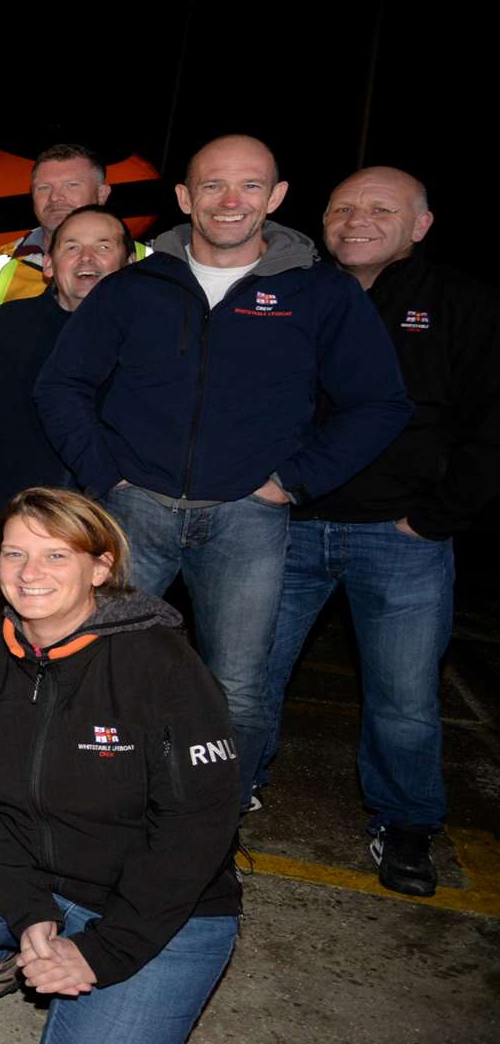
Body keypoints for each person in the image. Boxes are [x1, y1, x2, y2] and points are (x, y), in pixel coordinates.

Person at [34, 134, 411, 805]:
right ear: (185, 197)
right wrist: (107, 476)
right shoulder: (133, 287)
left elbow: (379, 403)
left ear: (277, 197)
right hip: (135, 513)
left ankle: (213, 822)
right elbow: (60, 384)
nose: (230, 201)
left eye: (249, 186)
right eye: (212, 186)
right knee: (99, 664)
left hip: (248, 521)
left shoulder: (320, 292)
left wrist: (291, 482)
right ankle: (90, 804)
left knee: (237, 685)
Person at [0, 488, 243, 1044]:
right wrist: (25, 907)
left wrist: (106, 950)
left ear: (99, 567)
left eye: (56, 555)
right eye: (14, 554)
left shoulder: (161, 665)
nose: (30, 572)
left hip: (161, 906)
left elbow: (197, 826)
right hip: (30, 872)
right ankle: (3, 957)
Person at [259, 166, 500, 896]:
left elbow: (491, 424)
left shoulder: (463, 303)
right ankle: (223, 793)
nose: (356, 220)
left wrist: (433, 519)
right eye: (342, 208)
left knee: (403, 699)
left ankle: (405, 824)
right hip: (287, 528)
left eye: (381, 209)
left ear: (421, 225)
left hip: (401, 539)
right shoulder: (291, 295)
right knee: (248, 678)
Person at [0, 206, 132, 655]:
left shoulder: (146, 337)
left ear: (126, 261)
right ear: (50, 266)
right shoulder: (8, 324)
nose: (87, 258)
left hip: (98, 524)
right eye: (71, 247)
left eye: (103, 246)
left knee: (76, 649)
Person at [0, 144, 146, 330]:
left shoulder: (148, 262)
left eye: (71, 185)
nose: (55, 197)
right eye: (44, 188)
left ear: (102, 194)